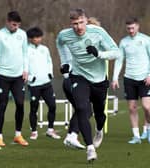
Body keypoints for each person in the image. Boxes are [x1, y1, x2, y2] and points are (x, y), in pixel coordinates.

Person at [56, 8, 120, 161]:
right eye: (74, 24)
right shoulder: (64, 35)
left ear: (86, 20)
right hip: (79, 76)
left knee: (99, 114)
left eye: (81, 22)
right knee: (81, 108)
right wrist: (65, 63)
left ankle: (99, 131)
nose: (78, 27)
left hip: (98, 80)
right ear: (71, 24)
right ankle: (90, 149)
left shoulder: (97, 32)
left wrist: (99, 54)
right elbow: (60, 44)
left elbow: (116, 52)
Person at [112, 17, 150, 144]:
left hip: (145, 79)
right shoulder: (123, 42)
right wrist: (115, 78)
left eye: (133, 28)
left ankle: (149, 128)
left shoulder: (146, 40)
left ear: (138, 26)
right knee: (132, 108)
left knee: (146, 106)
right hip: (129, 78)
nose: (131, 30)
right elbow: (119, 60)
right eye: (128, 28)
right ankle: (136, 136)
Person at [0, 11, 28, 146]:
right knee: (2, 105)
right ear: (7, 22)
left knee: (20, 104)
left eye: (18, 25)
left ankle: (18, 135)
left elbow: (25, 53)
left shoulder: (22, 34)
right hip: (3, 76)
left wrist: (26, 70)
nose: (16, 27)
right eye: (13, 24)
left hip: (18, 77)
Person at [63, 17, 101, 150]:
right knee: (84, 109)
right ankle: (71, 135)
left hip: (74, 79)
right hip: (72, 79)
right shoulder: (76, 42)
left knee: (84, 110)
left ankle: (72, 135)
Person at [26, 27, 61, 140]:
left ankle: (50, 130)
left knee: (52, 105)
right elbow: (23, 66)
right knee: (34, 108)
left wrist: (50, 73)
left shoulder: (45, 49)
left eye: (39, 37)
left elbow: (49, 61)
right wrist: (30, 78)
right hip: (34, 84)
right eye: (36, 37)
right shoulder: (25, 50)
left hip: (46, 83)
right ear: (30, 39)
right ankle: (34, 131)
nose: (38, 39)